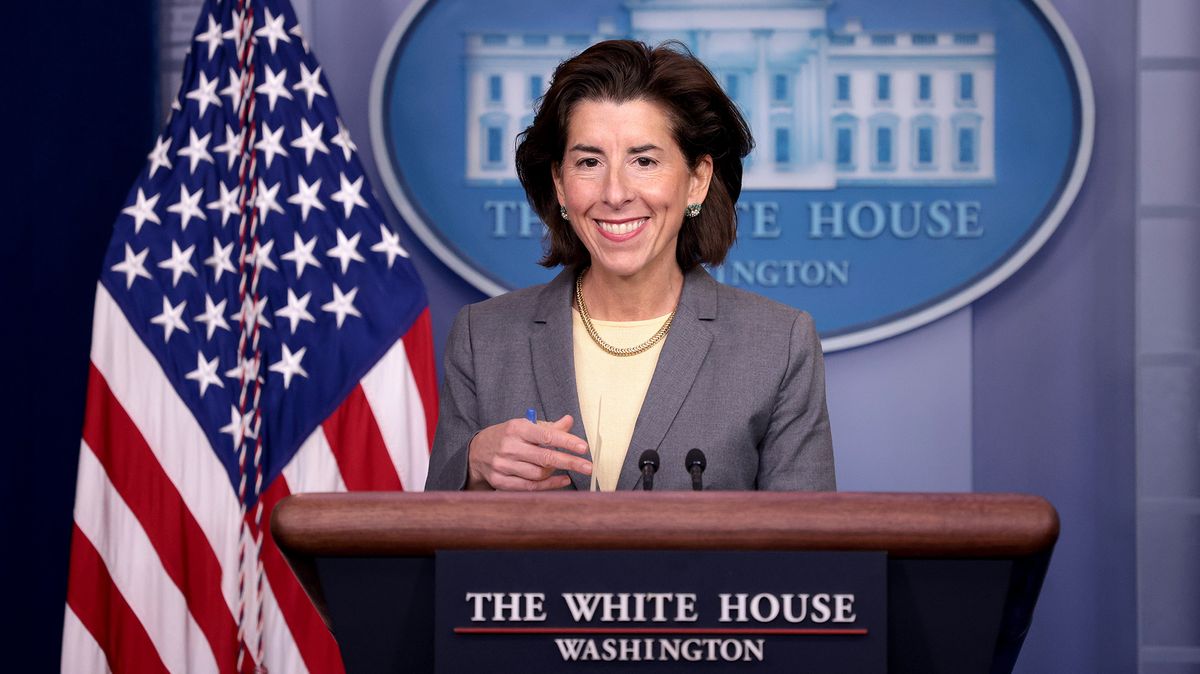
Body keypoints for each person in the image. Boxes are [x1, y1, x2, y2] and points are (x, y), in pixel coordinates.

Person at [425, 40, 834, 491]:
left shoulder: (778, 345)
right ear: (560, 184)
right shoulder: (481, 336)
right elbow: (438, 541)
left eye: (643, 160)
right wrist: (472, 465)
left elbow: (805, 548)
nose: (615, 193)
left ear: (697, 180)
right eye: (588, 161)